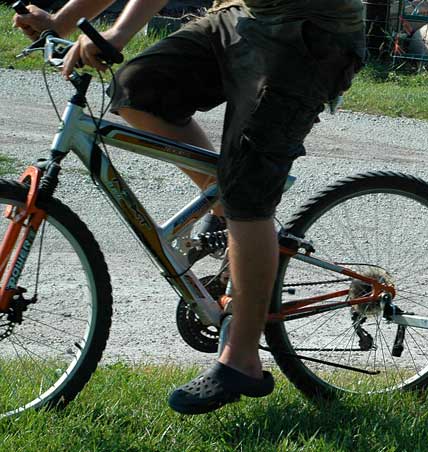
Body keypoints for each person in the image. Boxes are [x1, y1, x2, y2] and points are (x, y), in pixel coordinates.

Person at [14, 0, 365, 414]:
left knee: (247, 192)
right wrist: (60, 21)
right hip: (243, 18)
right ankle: (227, 211)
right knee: (138, 89)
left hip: (308, 34)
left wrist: (117, 33)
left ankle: (242, 360)